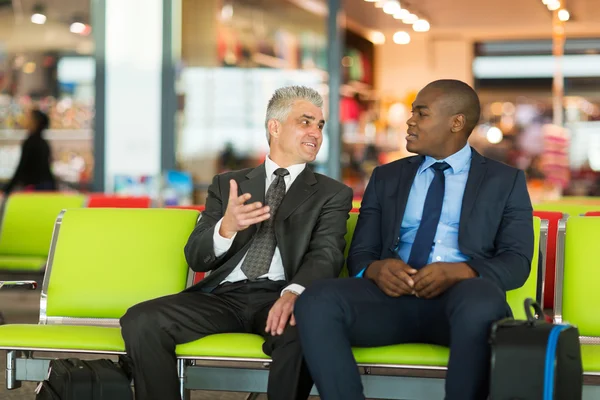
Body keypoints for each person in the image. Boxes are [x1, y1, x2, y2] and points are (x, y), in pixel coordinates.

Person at [294, 79, 534, 400]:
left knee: (481, 299)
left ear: (456, 122)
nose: (411, 121)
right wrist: (376, 270)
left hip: (461, 305)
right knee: (316, 299)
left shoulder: (505, 181)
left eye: (422, 114)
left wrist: (461, 272)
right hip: (390, 300)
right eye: (413, 113)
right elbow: (361, 252)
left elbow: (516, 262)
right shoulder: (387, 177)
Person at [120, 86, 353, 400]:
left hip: (280, 295)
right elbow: (196, 258)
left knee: (305, 332)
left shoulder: (331, 193)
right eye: (306, 122)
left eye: (320, 125)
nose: (316, 132)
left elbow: (326, 254)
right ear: (275, 126)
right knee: (141, 319)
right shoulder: (227, 184)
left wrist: (294, 292)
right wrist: (225, 229)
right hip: (223, 297)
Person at [3, 108, 56, 195]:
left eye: (28, 118)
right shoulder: (43, 142)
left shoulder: (30, 142)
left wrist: (8, 188)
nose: (25, 119)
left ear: (35, 122)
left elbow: (22, 166)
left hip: (35, 187)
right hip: (46, 185)